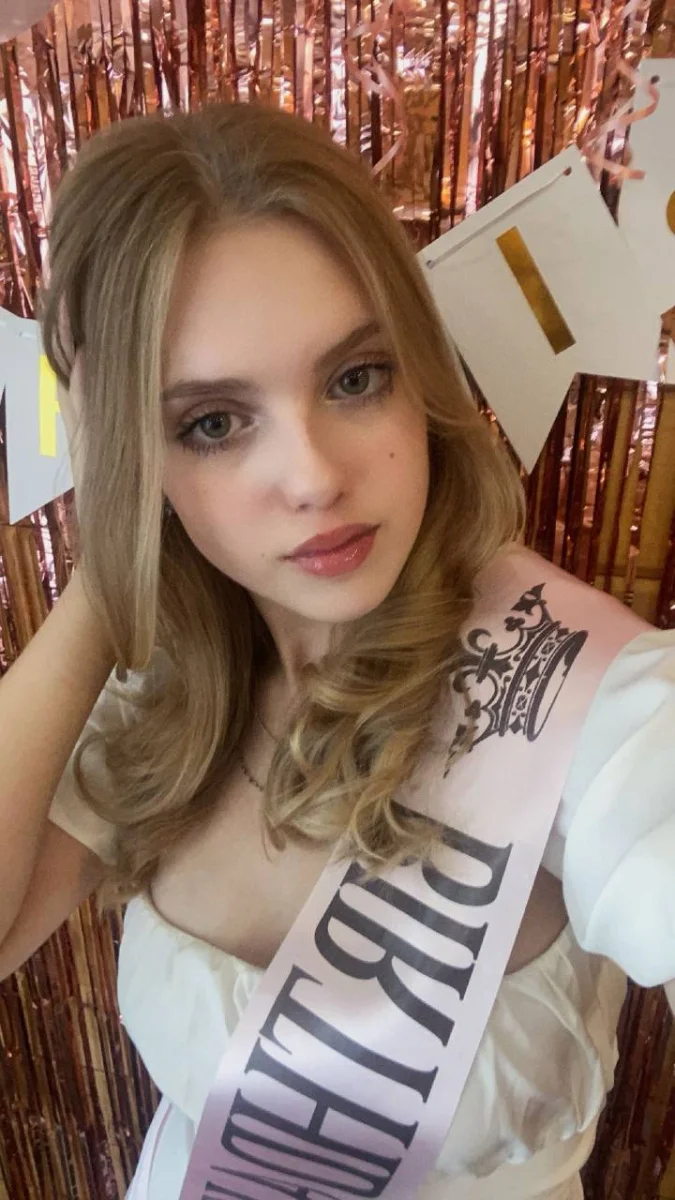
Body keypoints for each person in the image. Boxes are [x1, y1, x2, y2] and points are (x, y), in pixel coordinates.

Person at [0, 102, 673, 1200]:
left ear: (419, 373)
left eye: (354, 377)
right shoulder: (164, 690)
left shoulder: (583, 696)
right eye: (212, 423)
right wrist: (105, 571)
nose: (313, 475)